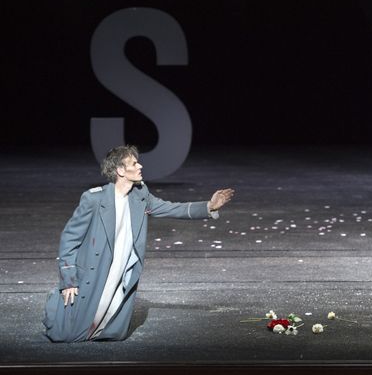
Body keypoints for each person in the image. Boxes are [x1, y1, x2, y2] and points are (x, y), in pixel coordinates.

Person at [43, 145, 235, 342]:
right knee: (66, 335)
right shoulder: (94, 199)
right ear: (120, 171)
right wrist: (69, 280)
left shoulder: (140, 195)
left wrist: (209, 206)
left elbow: (171, 208)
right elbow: (70, 238)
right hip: (96, 270)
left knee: (107, 328)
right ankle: (53, 302)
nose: (140, 165)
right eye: (134, 163)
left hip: (120, 269)